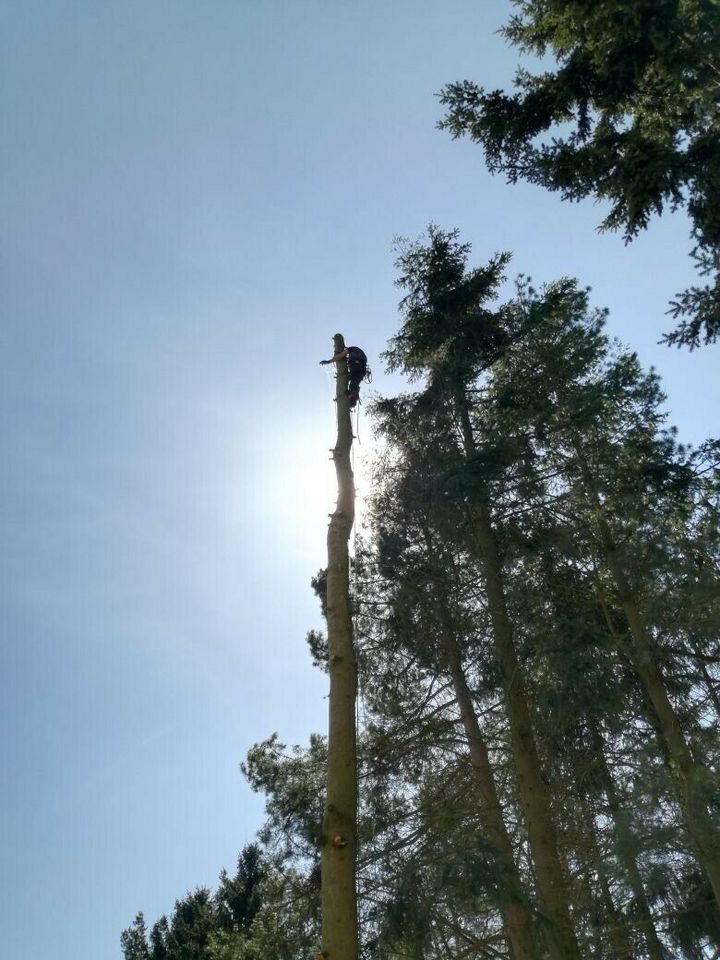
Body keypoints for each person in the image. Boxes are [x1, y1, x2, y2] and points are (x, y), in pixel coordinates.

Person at [320, 342, 369, 407]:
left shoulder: (351, 349)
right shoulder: (361, 354)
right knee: (355, 382)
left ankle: (352, 395)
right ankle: (352, 398)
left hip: (356, 366)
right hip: (362, 370)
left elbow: (341, 355)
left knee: (353, 381)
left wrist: (329, 361)